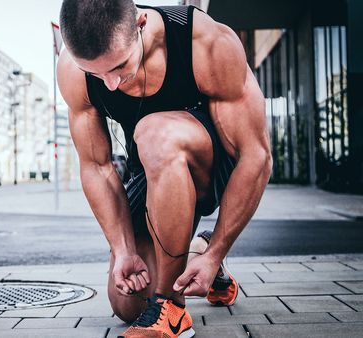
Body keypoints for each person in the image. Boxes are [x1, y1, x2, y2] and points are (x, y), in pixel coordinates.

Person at [57, 1, 272, 337]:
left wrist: (218, 251)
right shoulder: (72, 70)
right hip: (150, 169)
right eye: (95, 74)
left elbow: (256, 156)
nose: (110, 84)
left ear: (141, 24)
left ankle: (171, 310)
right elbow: (97, 166)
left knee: (154, 132)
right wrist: (122, 249)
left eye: (119, 66)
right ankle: (193, 251)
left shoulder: (204, 42)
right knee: (128, 303)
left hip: (211, 165)